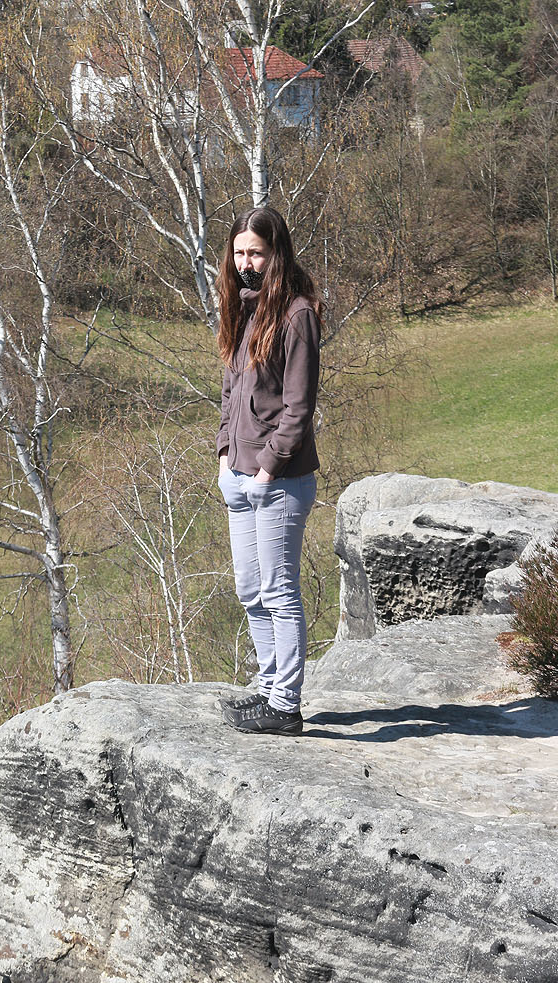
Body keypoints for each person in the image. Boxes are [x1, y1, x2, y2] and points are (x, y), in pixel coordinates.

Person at [215, 206, 321, 736]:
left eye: (255, 252)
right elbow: (233, 392)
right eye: (239, 252)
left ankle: (285, 704)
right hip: (238, 476)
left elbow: (298, 407)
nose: (246, 262)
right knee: (250, 591)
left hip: (278, 482)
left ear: (276, 253)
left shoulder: (297, 314)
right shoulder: (245, 309)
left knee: (279, 591)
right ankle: (267, 687)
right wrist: (223, 455)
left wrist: (267, 470)